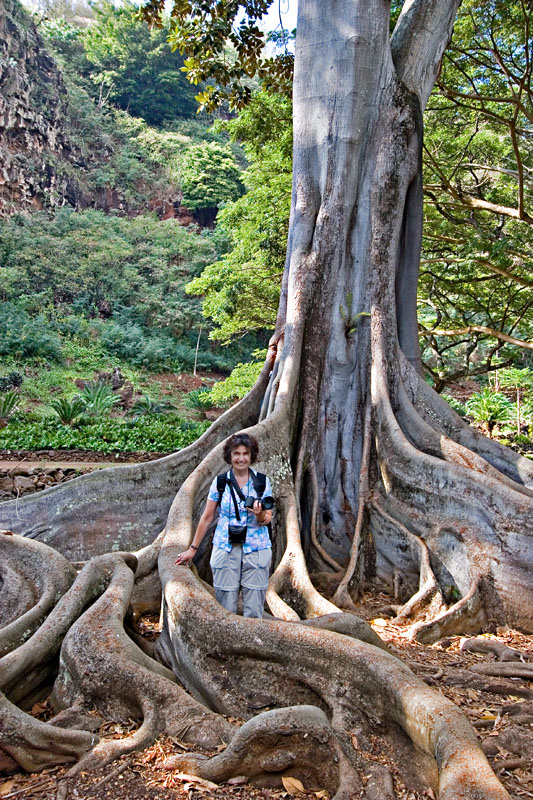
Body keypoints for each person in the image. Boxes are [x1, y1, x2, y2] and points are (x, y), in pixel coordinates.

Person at [175, 432, 273, 618]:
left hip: (256, 548)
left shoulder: (261, 482)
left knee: (254, 607)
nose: (241, 458)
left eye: (245, 453)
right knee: (225, 607)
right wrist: (192, 549)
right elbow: (207, 517)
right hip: (225, 547)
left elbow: (268, 518)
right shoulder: (220, 483)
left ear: (252, 456)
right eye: (237, 453)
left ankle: (251, 645)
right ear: (229, 456)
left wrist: (260, 514)